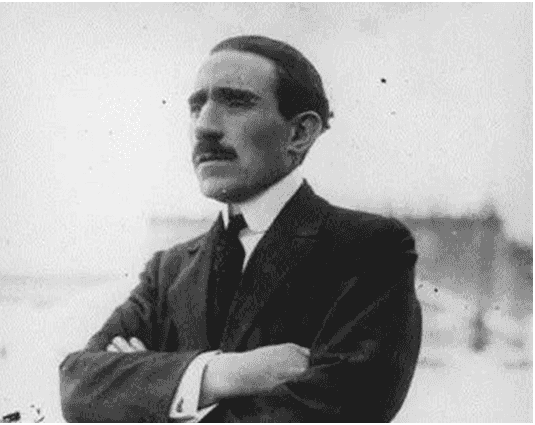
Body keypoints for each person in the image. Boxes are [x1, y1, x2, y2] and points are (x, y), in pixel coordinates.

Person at [59, 35, 422, 423]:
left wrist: (158, 396)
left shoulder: (369, 248)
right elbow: (79, 386)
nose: (204, 126)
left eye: (235, 102)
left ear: (299, 133)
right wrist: (223, 374)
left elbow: (342, 409)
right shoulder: (168, 271)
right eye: (196, 107)